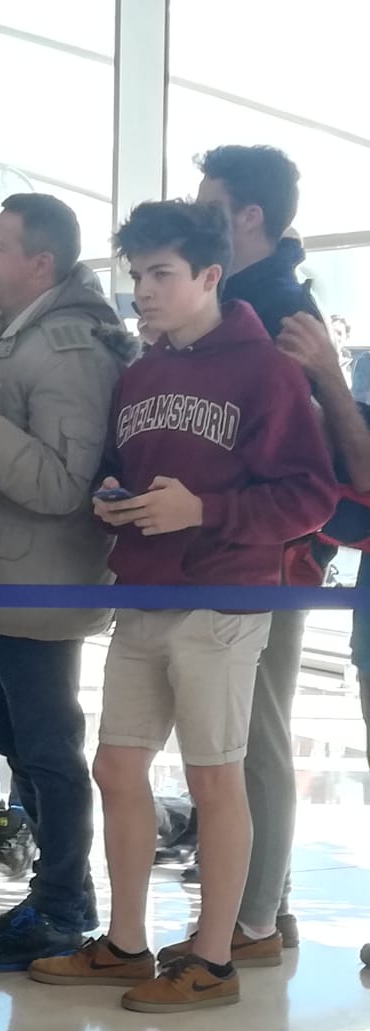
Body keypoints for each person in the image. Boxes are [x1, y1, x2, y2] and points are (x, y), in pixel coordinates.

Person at [30, 200, 334, 1011]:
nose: (143, 292)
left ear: (208, 275)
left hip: (225, 597)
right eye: (135, 275)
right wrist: (113, 497)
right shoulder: (141, 372)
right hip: (144, 593)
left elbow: (310, 496)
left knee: (212, 774)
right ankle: (126, 943)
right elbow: (120, 465)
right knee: (117, 764)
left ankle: (214, 958)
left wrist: (202, 510)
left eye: (160, 274)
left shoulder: (264, 370)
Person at [0, 194, 135, 971]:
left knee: (47, 749)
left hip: (37, 589)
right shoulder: (13, 330)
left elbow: (60, 484)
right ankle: (52, 890)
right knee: (20, 743)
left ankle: (63, 905)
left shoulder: (69, 351)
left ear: (40, 263)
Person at [196, 145, 328, 953]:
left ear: (247, 216)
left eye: (208, 203)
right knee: (240, 729)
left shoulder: (275, 311)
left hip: (273, 552)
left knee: (255, 732)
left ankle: (255, 917)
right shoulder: (245, 299)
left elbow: (299, 459)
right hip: (237, 547)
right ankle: (260, 903)